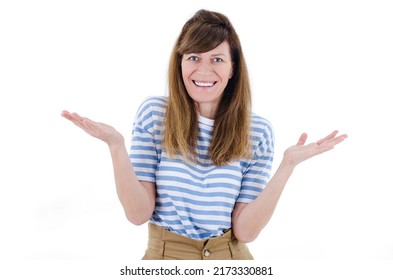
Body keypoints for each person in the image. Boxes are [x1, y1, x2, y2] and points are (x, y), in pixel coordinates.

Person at [61, 9, 347, 260]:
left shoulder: (257, 131)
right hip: (166, 258)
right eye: (194, 57)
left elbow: (245, 231)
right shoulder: (154, 115)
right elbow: (138, 214)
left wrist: (287, 166)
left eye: (218, 59)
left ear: (233, 67)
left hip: (231, 260)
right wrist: (116, 146)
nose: (204, 70)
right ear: (180, 62)